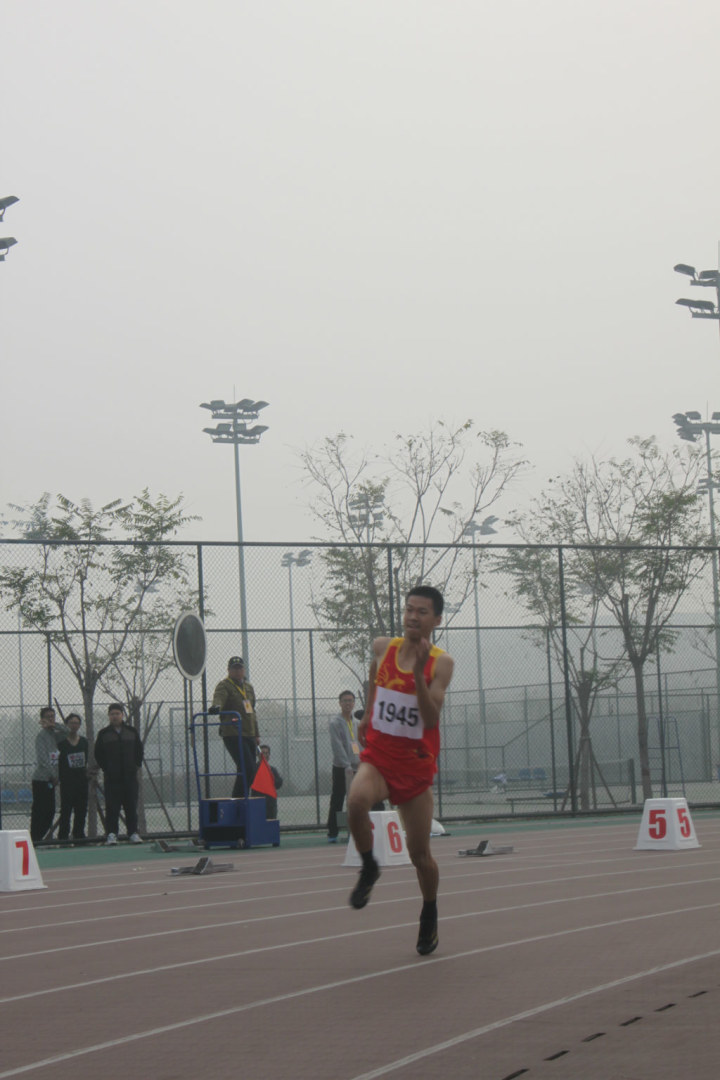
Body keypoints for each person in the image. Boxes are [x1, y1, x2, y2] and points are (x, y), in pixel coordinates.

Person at [347, 585, 454, 956]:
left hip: (414, 767)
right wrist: (368, 712)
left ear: (436, 620)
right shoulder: (383, 647)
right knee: (356, 802)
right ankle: (369, 866)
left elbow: (430, 718)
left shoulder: (441, 663)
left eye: (422, 612)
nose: (412, 616)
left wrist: (420, 675)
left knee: (419, 855)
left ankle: (429, 911)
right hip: (380, 757)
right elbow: (374, 673)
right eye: (409, 609)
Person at [94, 702, 144, 845]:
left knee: (131, 806)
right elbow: (98, 754)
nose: (114, 716)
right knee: (112, 807)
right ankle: (111, 834)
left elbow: (139, 751)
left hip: (130, 777)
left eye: (117, 713)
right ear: (109, 716)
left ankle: (133, 833)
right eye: (112, 714)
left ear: (122, 715)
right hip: (112, 778)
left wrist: (135, 766)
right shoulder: (103, 734)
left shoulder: (131, 731)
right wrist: (107, 768)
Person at [209, 657, 260, 797]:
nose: (238, 671)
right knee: (248, 768)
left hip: (249, 733)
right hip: (233, 733)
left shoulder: (248, 687)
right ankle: (238, 799)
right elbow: (219, 698)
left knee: (248, 770)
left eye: (240, 668)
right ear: (229, 670)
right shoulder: (224, 685)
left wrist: (256, 733)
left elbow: (251, 711)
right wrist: (216, 707)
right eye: (234, 668)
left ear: (244, 670)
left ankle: (240, 799)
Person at [30, 706, 68, 842]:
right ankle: (35, 838)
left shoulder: (54, 735)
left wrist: (54, 725)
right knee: (40, 811)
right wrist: (53, 775)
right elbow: (43, 760)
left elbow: (68, 731)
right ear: (42, 720)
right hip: (41, 780)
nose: (51, 718)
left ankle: (38, 837)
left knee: (50, 811)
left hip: (51, 780)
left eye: (53, 716)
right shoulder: (41, 736)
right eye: (48, 717)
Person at [326, 690, 360, 842]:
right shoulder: (335, 723)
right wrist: (346, 765)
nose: (348, 703)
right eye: (345, 701)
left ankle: (357, 829)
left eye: (350, 700)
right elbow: (337, 746)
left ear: (354, 703)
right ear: (340, 703)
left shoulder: (357, 723)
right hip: (341, 768)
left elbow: (359, 743)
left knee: (357, 799)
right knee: (338, 799)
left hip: (357, 766)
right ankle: (333, 832)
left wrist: (360, 761)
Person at [57, 713, 89, 840]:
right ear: (66, 725)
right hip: (66, 781)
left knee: (81, 809)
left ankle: (79, 835)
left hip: (81, 781)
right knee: (66, 810)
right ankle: (63, 836)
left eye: (76, 723)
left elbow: (86, 759)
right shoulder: (61, 743)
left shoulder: (84, 742)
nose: (74, 725)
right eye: (71, 723)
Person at [257, 744, 283, 819]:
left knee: (271, 821)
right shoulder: (254, 769)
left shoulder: (272, 770)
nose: (265, 755)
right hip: (258, 803)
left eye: (267, 753)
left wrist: (270, 780)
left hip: (271, 804)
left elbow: (278, 783)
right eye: (263, 753)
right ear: (258, 755)